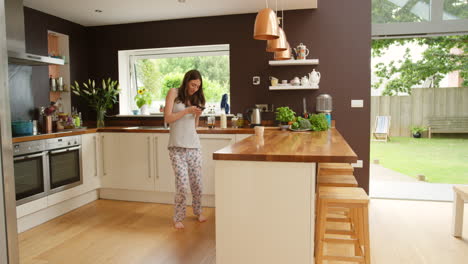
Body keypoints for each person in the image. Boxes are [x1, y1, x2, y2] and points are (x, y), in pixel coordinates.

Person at [164, 69, 207, 229]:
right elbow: (168, 118)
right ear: (187, 81)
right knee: (182, 183)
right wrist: (187, 110)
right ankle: (178, 216)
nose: (195, 88)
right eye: (193, 84)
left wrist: (197, 115)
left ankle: (198, 210)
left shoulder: (197, 97)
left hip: (194, 146)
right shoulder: (173, 93)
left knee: (197, 182)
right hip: (176, 146)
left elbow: (193, 126)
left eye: (198, 86)